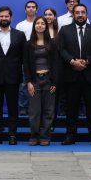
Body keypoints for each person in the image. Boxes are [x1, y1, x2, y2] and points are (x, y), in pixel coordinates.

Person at [56, 3, 91, 146]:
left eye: (83, 12)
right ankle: (70, 135)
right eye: (77, 12)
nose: (80, 15)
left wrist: (87, 61)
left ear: (87, 14)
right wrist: (72, 61)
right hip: (71, 75)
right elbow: (61, 49)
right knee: (71, 108)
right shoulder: (64, 30)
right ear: (73, 14)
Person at [0, 6, 27, 145]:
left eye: (6, 16)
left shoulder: (20, 35)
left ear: (11, 18)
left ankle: (12, 135)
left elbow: (23, 56)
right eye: (1, 16)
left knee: (13, 107)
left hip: (13, 76)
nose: (3, 18)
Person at [23, 16, 58, 146]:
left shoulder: (52, 43)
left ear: (46, 26)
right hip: (34, 80)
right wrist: (28, 82)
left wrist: (55, 83)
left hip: (49, 79)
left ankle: (44, 136)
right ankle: (34, 135)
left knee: (48, 110)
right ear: (34, 26)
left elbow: (57, 63)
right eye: (37, 23)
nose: (40, 25)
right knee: (34, 111)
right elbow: (26, 65)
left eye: (42, 23)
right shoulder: (28, 44)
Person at [15, 0, 38, 117]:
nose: (31, 9)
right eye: (28, 7)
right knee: (24, 84)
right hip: (25, 58)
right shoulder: (20, 25)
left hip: (40, 57)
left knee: (39, 84)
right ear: (25, 10)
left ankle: (36, 107)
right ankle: (23, 107)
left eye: (33, 7)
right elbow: (17, 43)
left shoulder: (40, 23)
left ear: (36, 10)